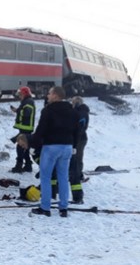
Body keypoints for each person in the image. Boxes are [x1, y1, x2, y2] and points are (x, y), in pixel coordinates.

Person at [30, 86, 79, 218]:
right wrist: (74, 145)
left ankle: (45, 208)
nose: (48, 95)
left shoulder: (48, 110)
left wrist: (33, 144)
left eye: (50, 93)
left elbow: (41, 129)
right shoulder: (72, 110)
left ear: (56, 95)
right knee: (63, 177)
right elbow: (76, 129)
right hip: (67, 147)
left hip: (51, 147)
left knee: (45, 177)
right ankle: (63, 208)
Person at [9, 86, 36, 173]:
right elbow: (24, 111)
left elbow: (27, 113)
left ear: (24, 94)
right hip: (25, 128)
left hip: (25, 128)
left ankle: (19, 166)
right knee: (25, 149)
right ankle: (28, 165)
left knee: (20, 147)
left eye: (20, 94)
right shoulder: (27, 101)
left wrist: (19, 111)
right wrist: (17, 110)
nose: (19, 96)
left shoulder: (28, 102)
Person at [70, 96, 90, 204]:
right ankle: (76, 174)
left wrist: (76, 136)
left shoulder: (82, 112)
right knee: (75, 158)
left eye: (74, 102)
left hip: (80, 139)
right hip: (77, 138)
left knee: (77, 158)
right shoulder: (78, 111)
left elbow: (81, 126)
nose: (72, 104)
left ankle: (78, 175)